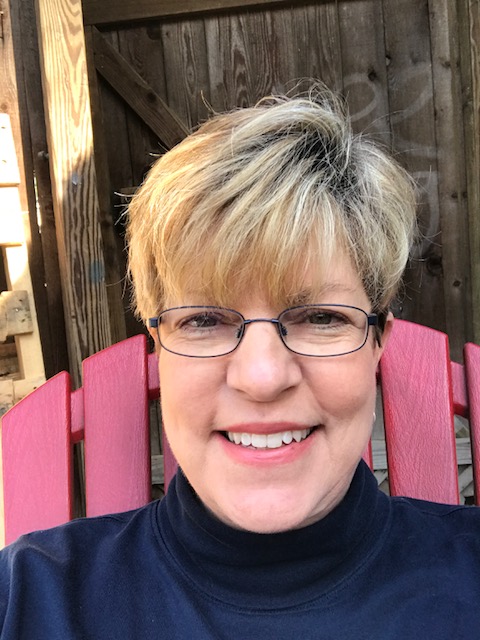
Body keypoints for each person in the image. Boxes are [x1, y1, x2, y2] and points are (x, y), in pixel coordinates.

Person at [1, 85, 479, 639]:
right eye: (204, 320)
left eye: (320, 317)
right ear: (159, 348)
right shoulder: (29, 599)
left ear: (378, 344)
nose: (262, 377)